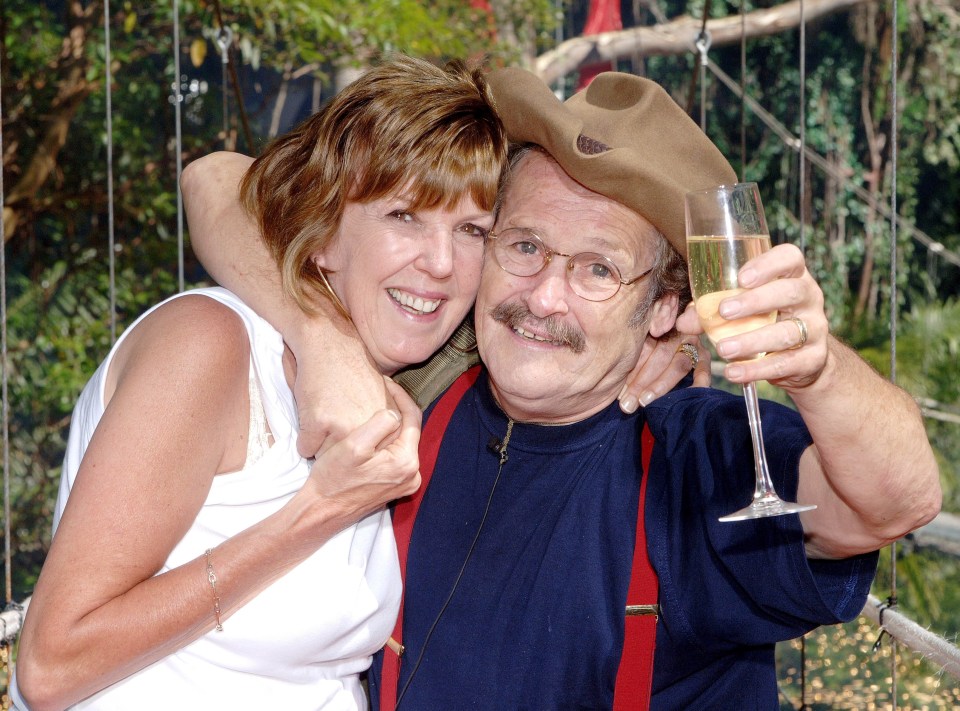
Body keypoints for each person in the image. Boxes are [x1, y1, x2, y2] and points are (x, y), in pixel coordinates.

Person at [186, 69, 941, 709]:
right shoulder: (419, 373)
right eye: (524, 245)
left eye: (599, 270)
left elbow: (896, 500)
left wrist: (820, 369)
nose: (544, 296)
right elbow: (214, 181)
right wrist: (323, 340)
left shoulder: (694, 459)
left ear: (667, 308)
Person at [13, 55, 510, 710]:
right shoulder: (209, 345)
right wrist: (321, 508)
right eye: (404, 217)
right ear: (325, 230)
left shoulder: (424, 382)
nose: (441, 263)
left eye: (471, 230)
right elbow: (50, 665)